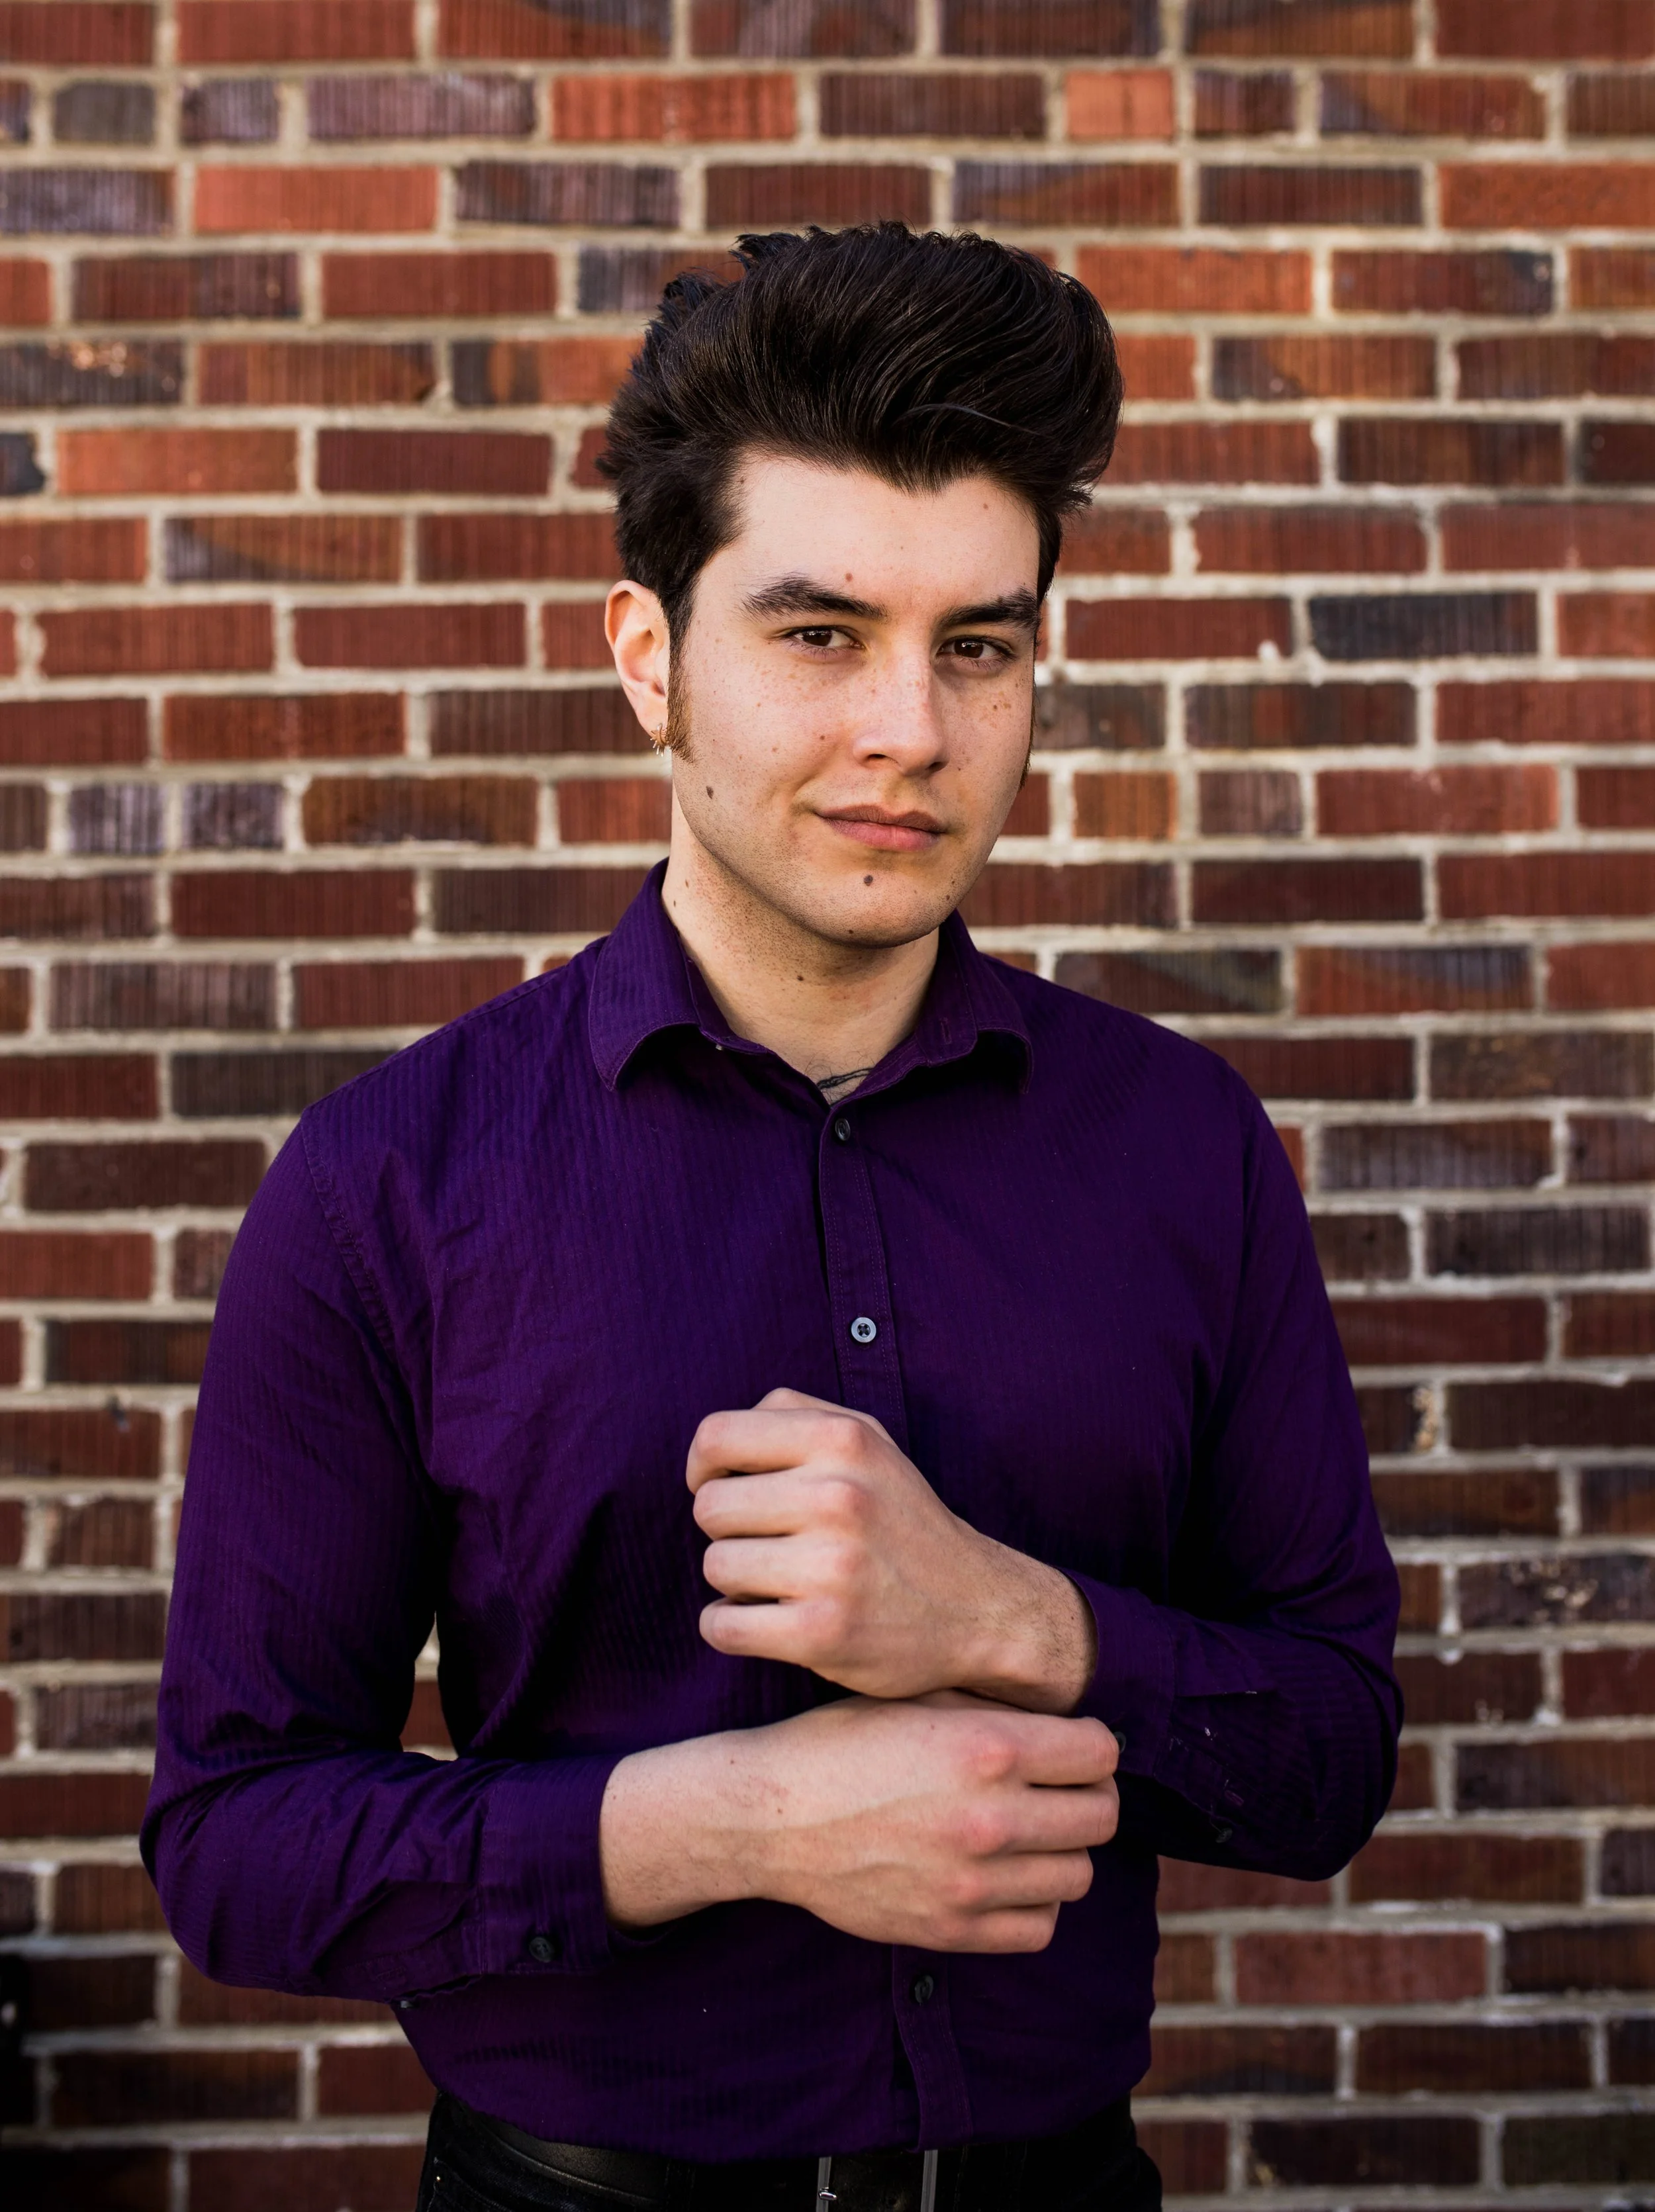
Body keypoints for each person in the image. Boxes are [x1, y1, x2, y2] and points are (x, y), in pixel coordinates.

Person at [144, 224, 1401, 2212]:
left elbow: (1330, 1753)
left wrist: (1006, 1619)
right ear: (652, 656)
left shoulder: (1180, 1144)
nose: (909, 727)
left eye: (975, 645)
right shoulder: (396, 1178)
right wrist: (727, 1818)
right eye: (820, 634)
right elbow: (239, 1842)